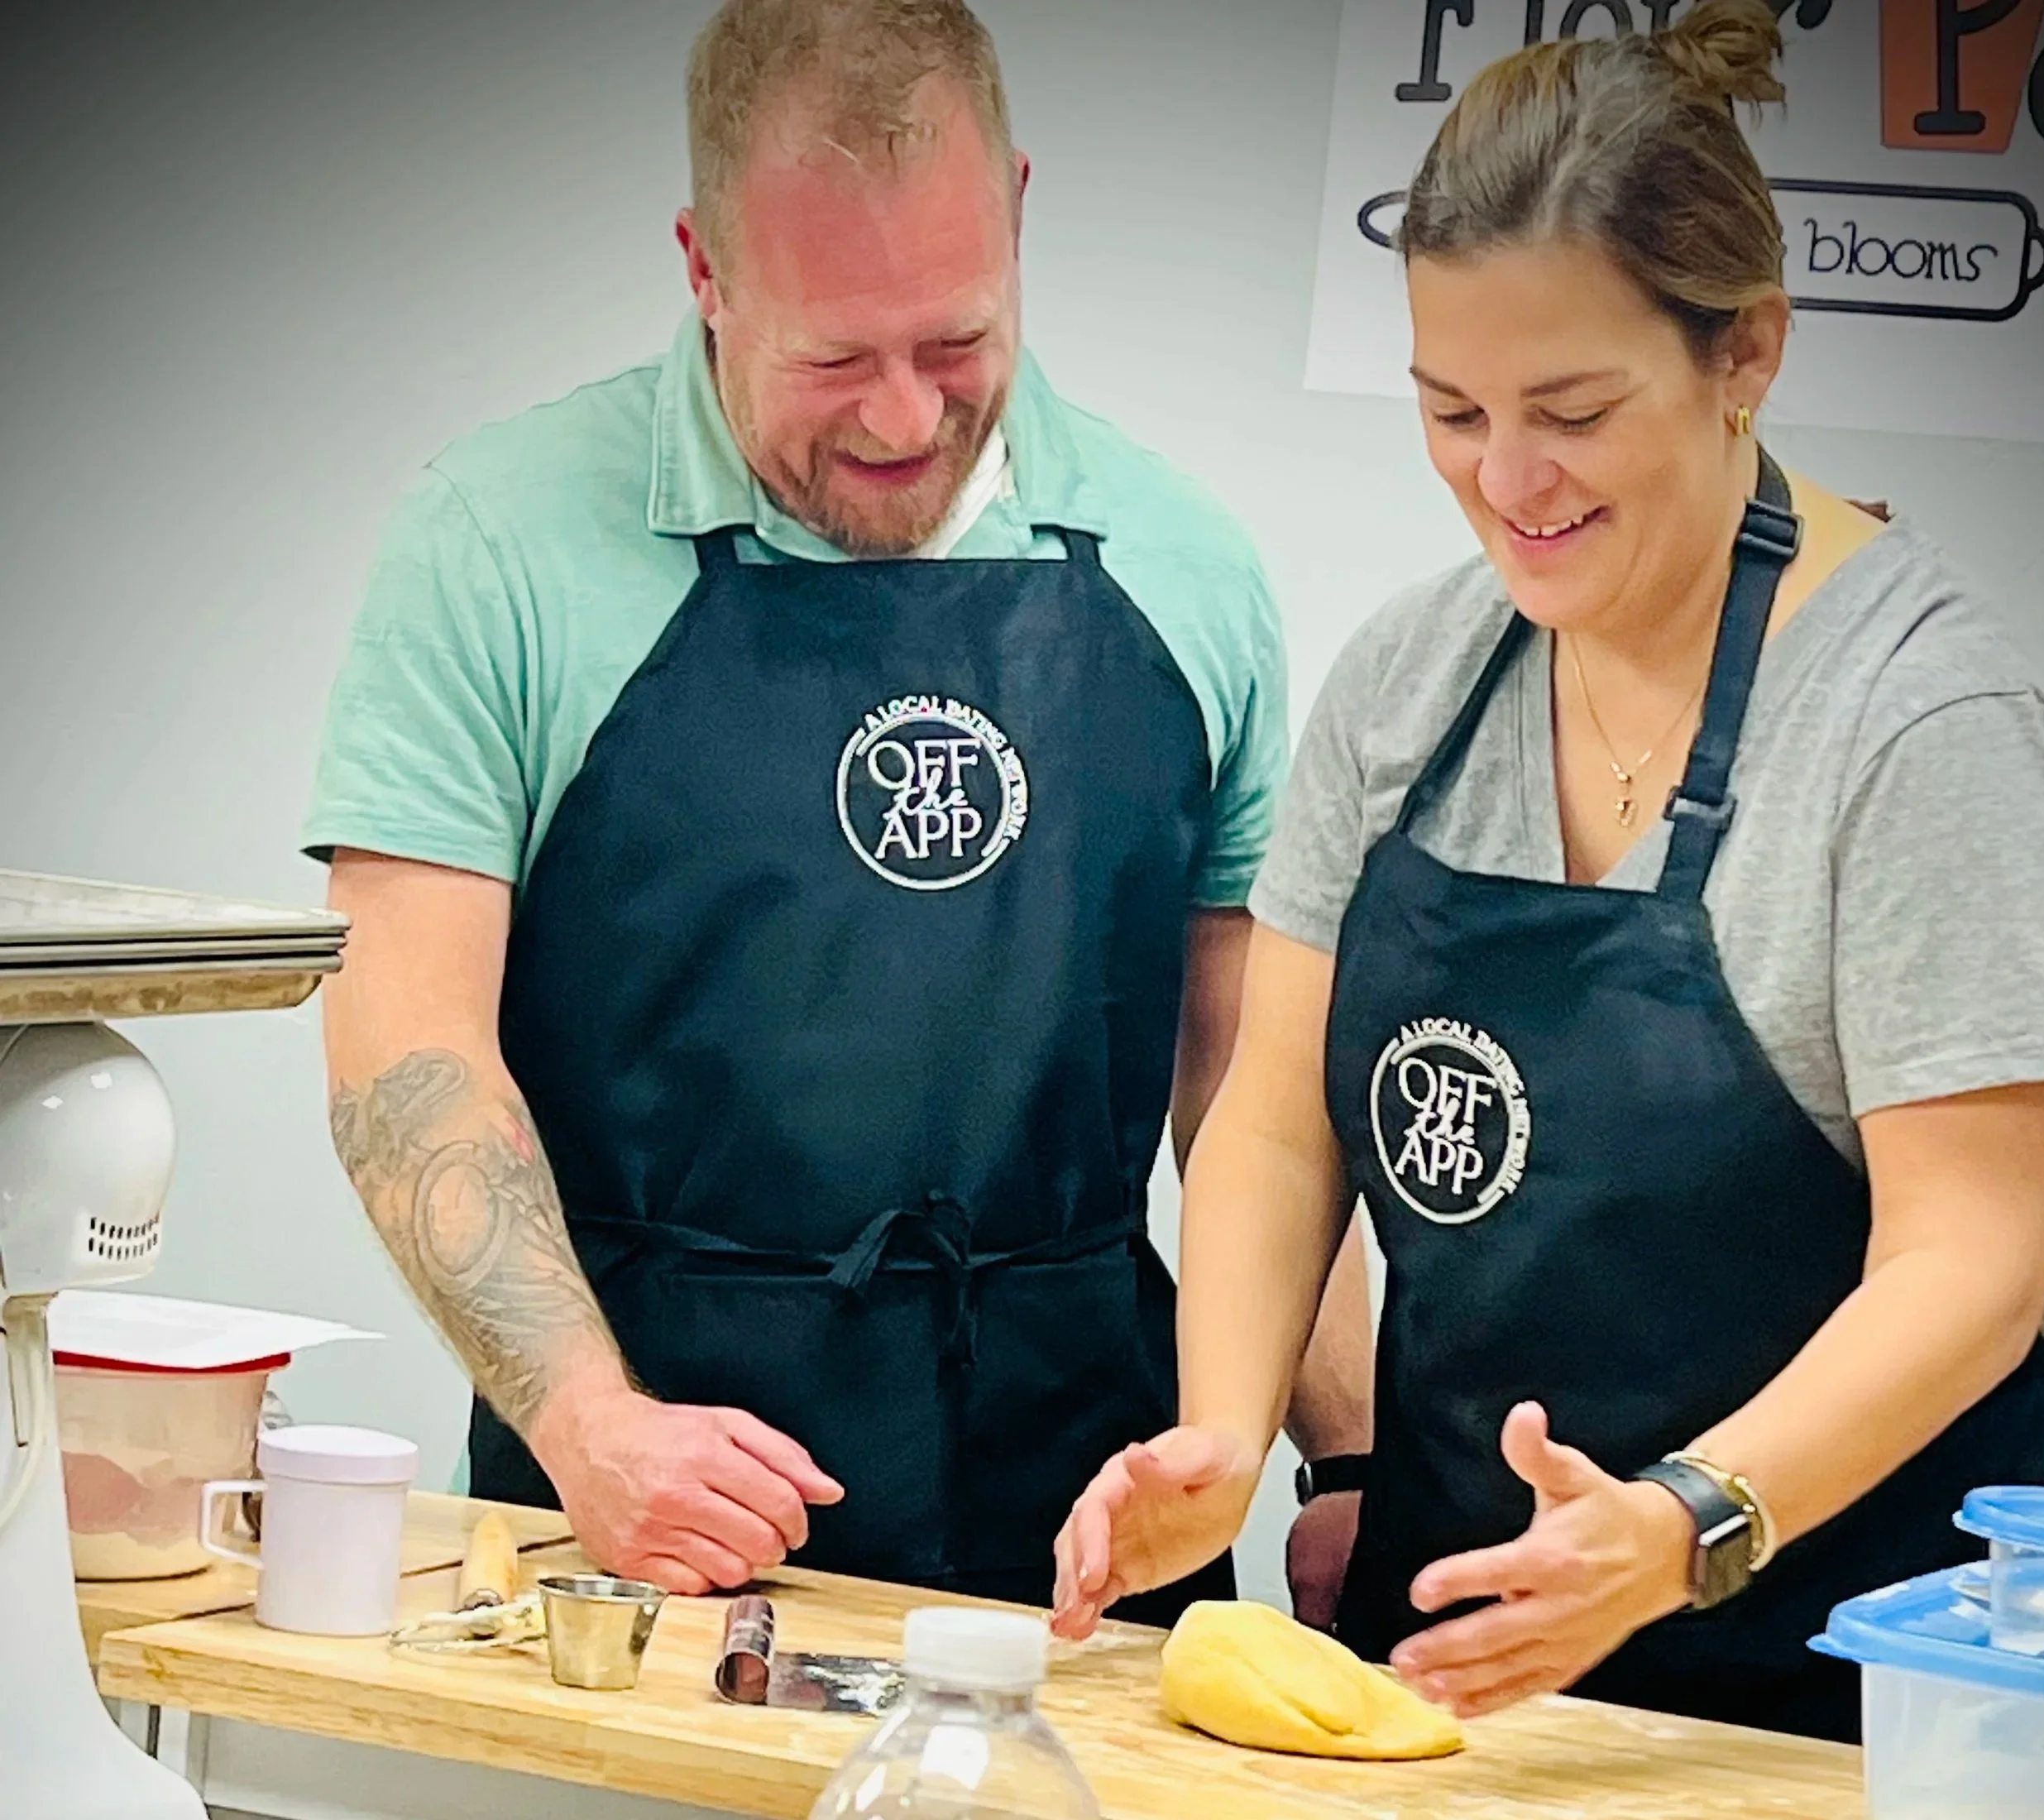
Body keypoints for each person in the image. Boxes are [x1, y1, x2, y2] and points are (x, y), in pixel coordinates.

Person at [1051, 0, 2044, 1740]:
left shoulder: (1915, 718)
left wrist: (1682, 1521)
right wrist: (1222, 1431)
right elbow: (1282, 1116)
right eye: (1449, 410)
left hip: (1833, 1701)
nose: (1502, 482)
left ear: (1743, 349)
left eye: (1569, 411)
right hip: (1452, 1679)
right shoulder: (1409, 682)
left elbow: (1973, 1251)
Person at [307, 0, 1370, 1621]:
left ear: (1018, 213)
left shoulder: (1188, 567)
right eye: (830, 360)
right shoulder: (497, 544)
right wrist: (591, 1424)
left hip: (1083, 1536)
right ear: (703, 265)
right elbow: (405, 1042)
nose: (898, 419)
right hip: (637, 1535)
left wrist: (1347, 1453)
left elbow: (1248, 1078)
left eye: (955, 345)